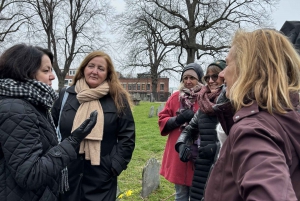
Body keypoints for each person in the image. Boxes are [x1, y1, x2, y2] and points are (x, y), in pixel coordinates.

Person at [204, 29, 300, 201]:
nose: (221, 74)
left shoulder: (253, 130)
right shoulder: (286, 118)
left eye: (227, 64)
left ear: (247, 70)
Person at [0, 44, 98, 201]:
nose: (52, 76)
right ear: (24, 72)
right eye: (46, 71)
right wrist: (72, 142)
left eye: (51, 70)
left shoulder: (31, 105)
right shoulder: (17, 110)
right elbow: (30, 175)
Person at [51, 50, 135, 201]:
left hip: (102, 175)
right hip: (67, 172)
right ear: (83, 68)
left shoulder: (117, 98)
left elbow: (127, 136)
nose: (95, 71)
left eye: (101, 68)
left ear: (108, 73)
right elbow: (51, 128)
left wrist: (115, 165)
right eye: (91, 66)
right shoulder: (66, 95)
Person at [175, 60, 226, 201]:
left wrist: (216, 148)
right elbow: (189, 130)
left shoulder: (231, 103)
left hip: (223, 168)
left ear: (224, 76)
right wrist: (181, 145)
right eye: (207, 78)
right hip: (202, 167)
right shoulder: (203, 105)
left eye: (215, 76)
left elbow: (238, 138)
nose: (210, 81)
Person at [158, 63, 204, 201]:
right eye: (185, 78)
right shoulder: (175, 97)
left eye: (192, 78)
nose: (188, 81)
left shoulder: (205, 98)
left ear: (200, 79)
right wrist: (178, 119)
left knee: (198, 195)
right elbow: (162, 120)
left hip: (199, 153)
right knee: (181, 195)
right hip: (179, 153)